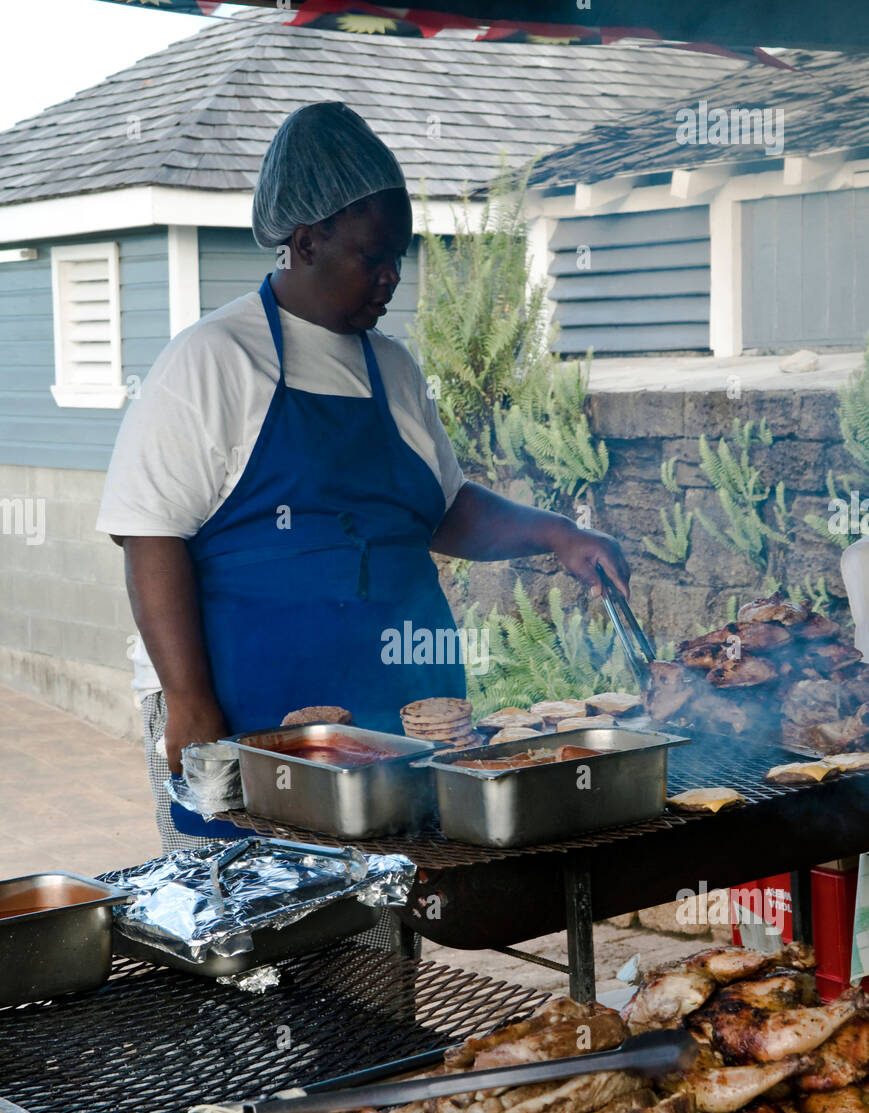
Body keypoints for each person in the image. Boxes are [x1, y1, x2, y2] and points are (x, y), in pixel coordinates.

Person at [97, 102, 629, 848]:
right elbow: (148, 534)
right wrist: (188, 702)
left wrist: (557, 534)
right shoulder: (213, 358)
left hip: (392, 707)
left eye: (397, 260)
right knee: (250, 928)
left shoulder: (393, 368)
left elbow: (441, 510)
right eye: (371, 257)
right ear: (306, 242)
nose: (389, 279)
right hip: (247, 709)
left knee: (378, 933)